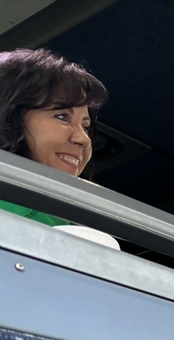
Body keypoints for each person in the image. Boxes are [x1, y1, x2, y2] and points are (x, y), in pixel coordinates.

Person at [0, 48, 108, 225]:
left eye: (86, 127)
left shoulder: (80, 228)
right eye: (62, 116)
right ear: (8, 115)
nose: (84, 139)